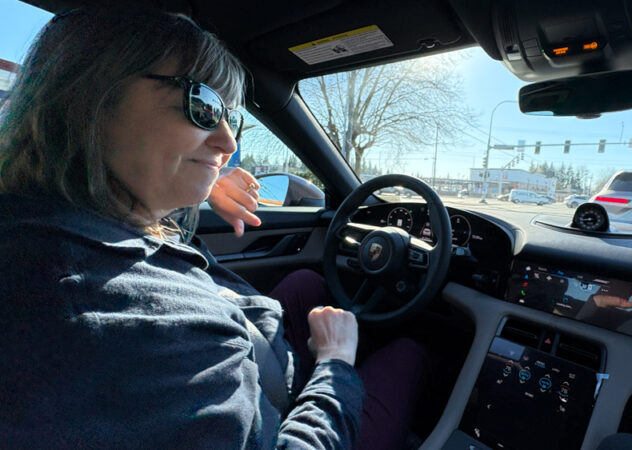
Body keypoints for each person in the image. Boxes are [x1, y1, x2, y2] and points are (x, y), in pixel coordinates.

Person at [0, 9, 429, 449]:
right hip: (282, 409)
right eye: (202, 105)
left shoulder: (47, 220)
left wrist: (198, 188)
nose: (228, 142)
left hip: (248, 345)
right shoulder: (142, 324)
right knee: (409, 352)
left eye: (230, 117)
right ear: (89, 96)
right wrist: (336, 363)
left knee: (305, 282)